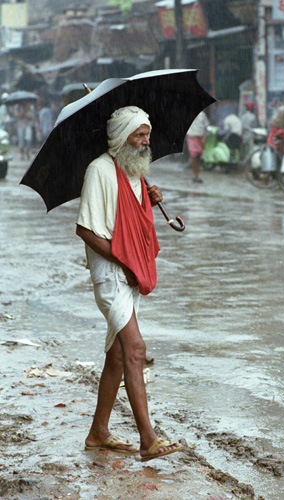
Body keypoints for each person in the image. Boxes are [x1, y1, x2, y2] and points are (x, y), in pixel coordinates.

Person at [76, 106, 184, 462]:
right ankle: (148, 439)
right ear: (121, 137)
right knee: (136, 349)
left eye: (146, 135)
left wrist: (150, 204)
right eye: (138, 135)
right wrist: (125, 260)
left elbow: (132, 225)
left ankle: (98, 433)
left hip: (129, 273)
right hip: (110, 274)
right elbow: (86, 230)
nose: (145, 141)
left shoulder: (135, 172)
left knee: (119, 356)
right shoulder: (99, 171)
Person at [186, 110, 209, 183]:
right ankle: (194, 174)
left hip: (200, 137)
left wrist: (204, 138)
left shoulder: (202, 114)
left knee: (198, 156)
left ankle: (196, 174)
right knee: (193, 156)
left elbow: (206, 127)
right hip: (191, 137)